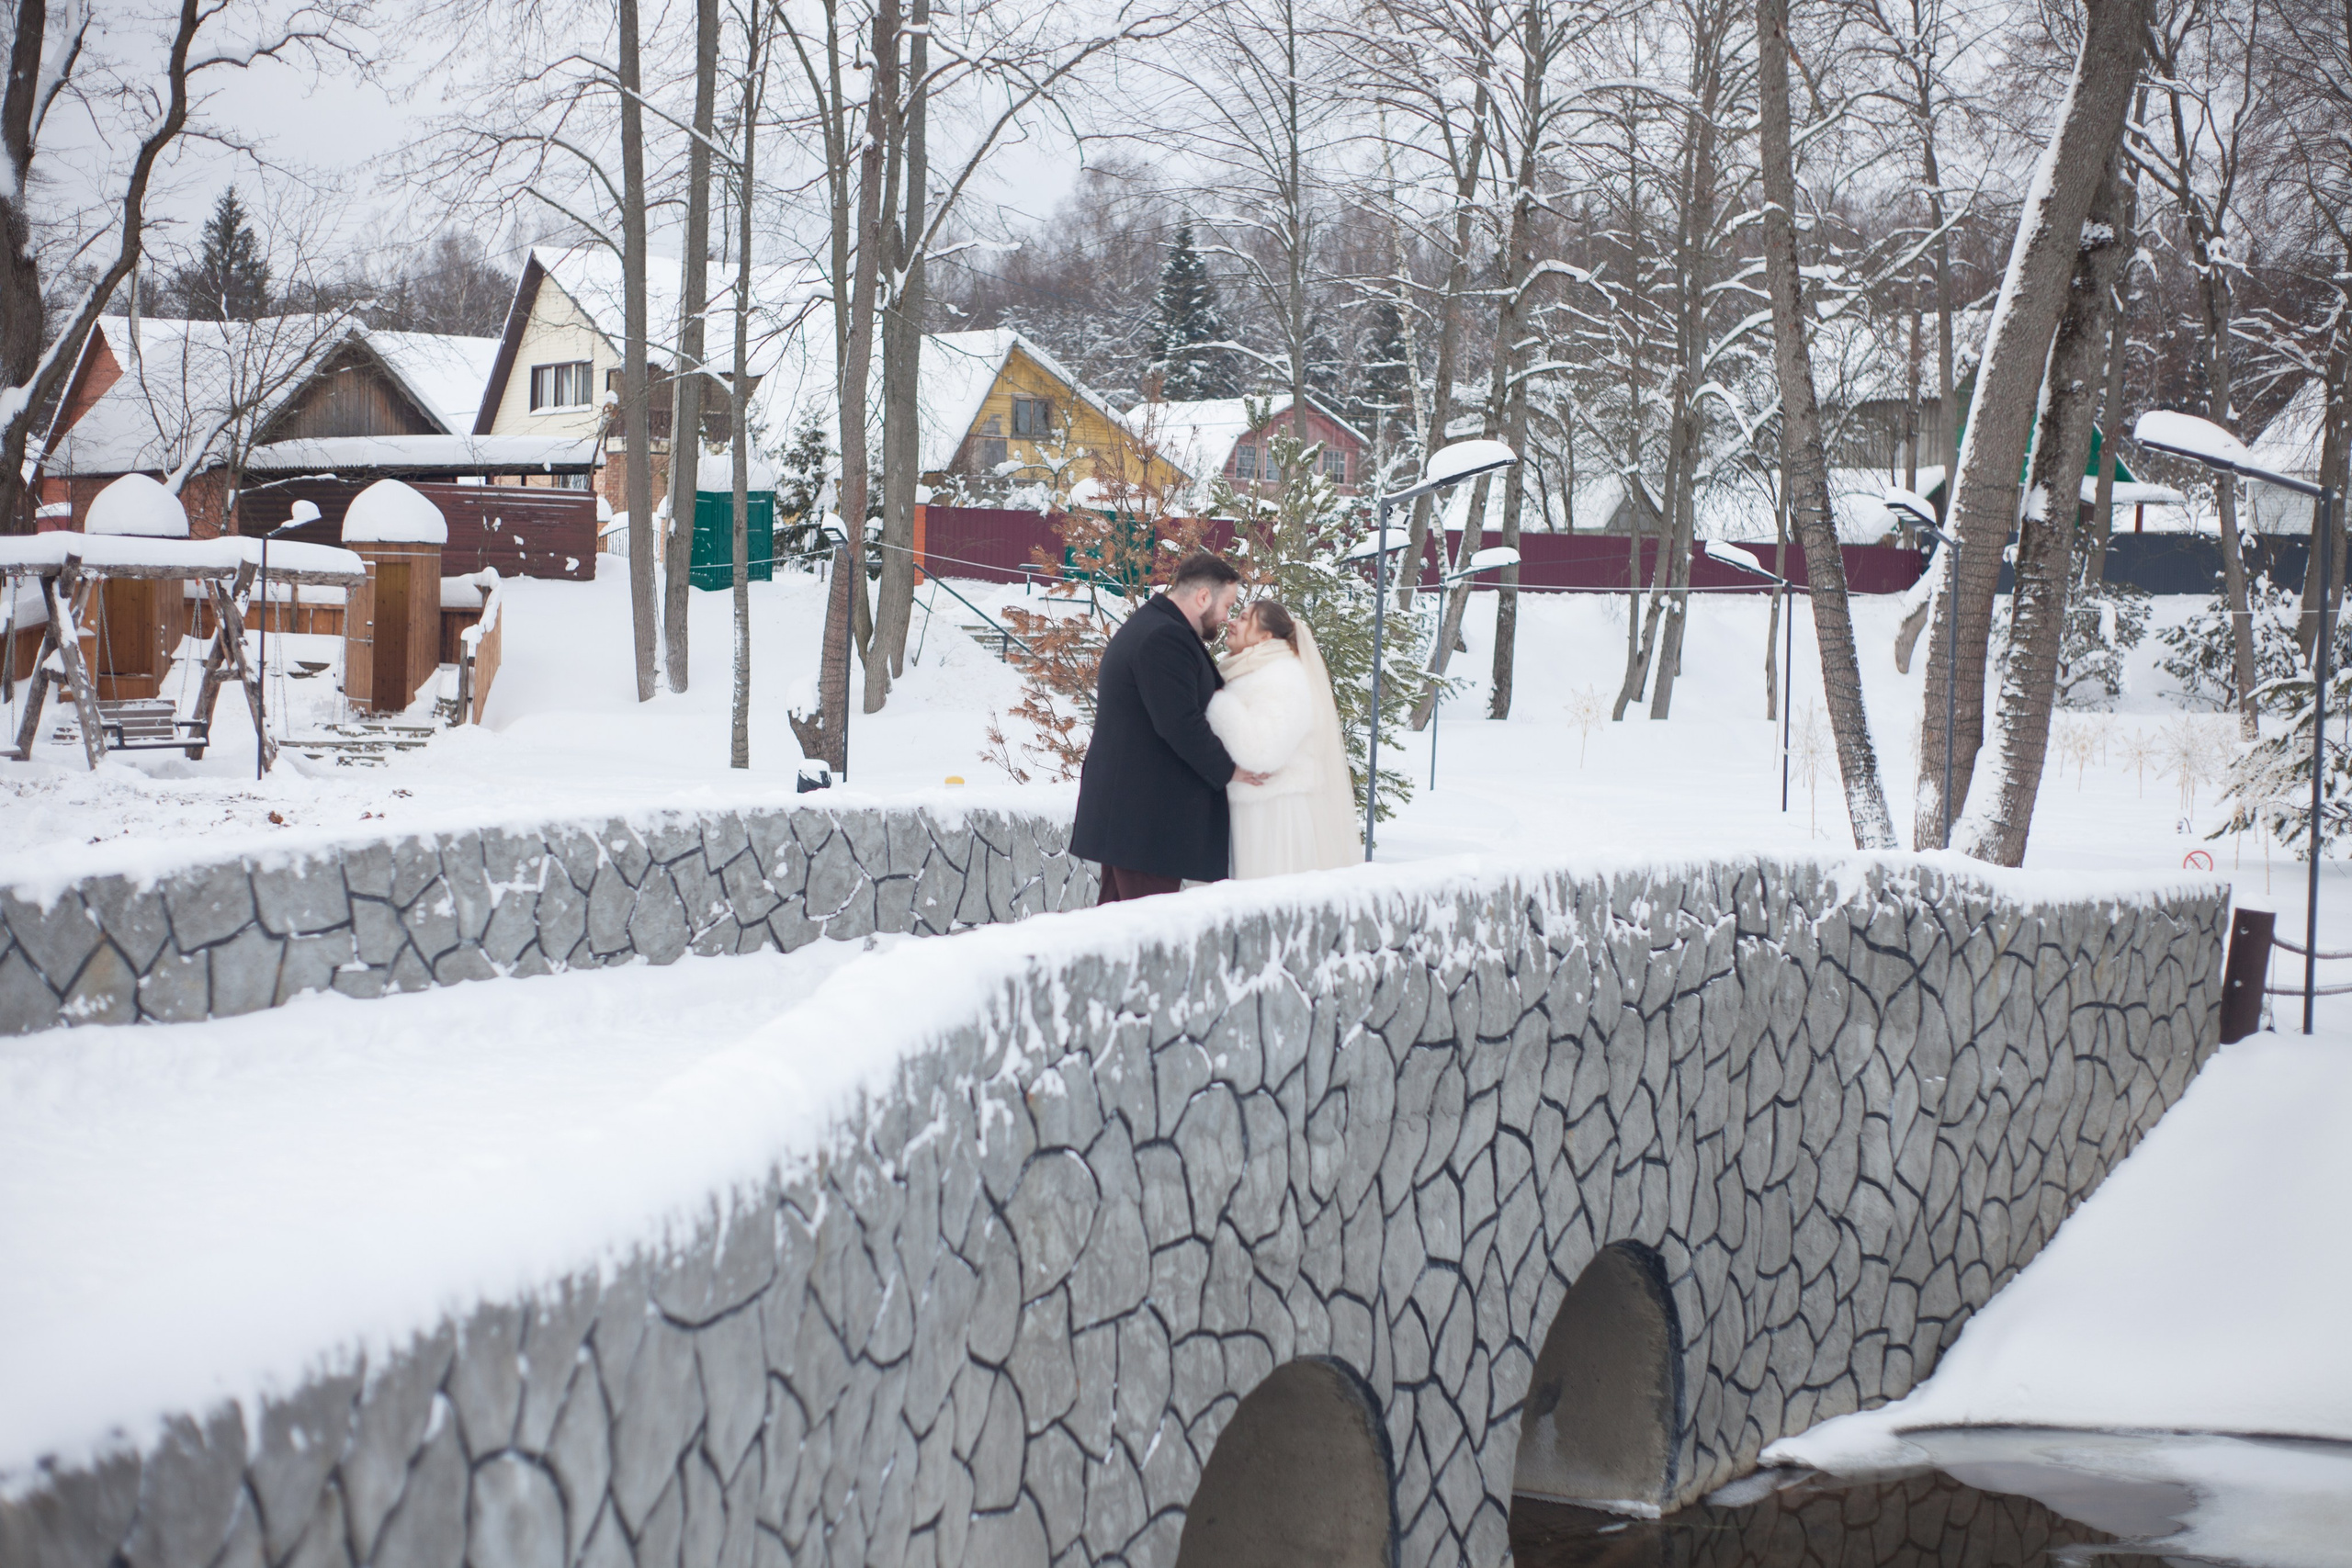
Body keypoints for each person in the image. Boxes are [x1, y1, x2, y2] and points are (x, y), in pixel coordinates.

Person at [1072, 552, 1267, 900]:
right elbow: (1180, 723)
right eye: (1228, 605)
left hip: (1132, 824)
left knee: (1117, 935)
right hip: (1146, 825)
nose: (1225, 618)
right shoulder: (1165, 637)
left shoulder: (1153, 626)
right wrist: (1230, 770)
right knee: (1145, 939)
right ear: (1203, 597)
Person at [1205, 599, 1365, 878]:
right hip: (1252, 814)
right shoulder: (1246, 669)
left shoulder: (1283, 676)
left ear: (1266, 636)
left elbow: (1261, 752)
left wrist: (1216, 703)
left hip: (1274, 819)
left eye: (1244, 619)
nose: (1231, 622)